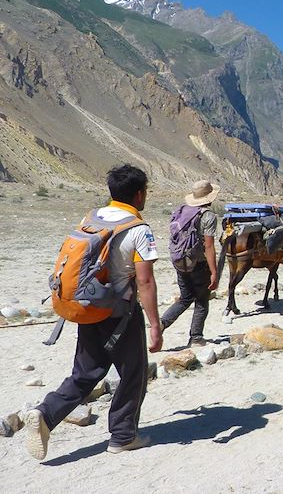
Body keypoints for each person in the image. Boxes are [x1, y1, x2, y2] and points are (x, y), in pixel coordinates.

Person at [24, 164, 162, 460]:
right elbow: (145, 280)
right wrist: (154, 325)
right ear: (139, 195)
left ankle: (45, 414)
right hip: (121, 315)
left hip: (87, 308)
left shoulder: (91, 218)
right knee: (133, 374)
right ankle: (123, 436)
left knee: (85, 373)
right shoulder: (139, 229)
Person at [160, 180, 220, 346]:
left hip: (180, 261)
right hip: (199, 264)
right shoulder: (207, 216)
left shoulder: (183, 211)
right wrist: (214, 272)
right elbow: (209, 246)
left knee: (185, 298)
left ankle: (162, 323)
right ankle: (196, 337)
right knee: (201, 301)